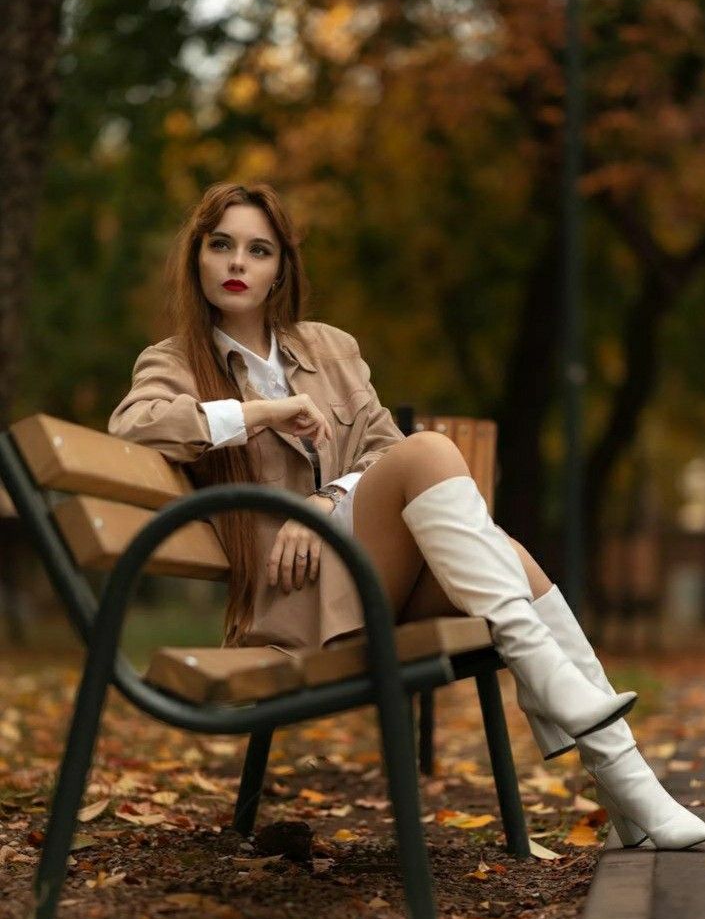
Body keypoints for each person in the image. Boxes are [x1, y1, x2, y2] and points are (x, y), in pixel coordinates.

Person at [109, 181, 705, 852]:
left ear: (281, 269)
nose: (237, 263)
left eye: (258, 249)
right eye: (221, 246)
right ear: (197, 259)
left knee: (506, 555)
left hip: (364, 580)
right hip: (286, 607)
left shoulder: (330, 350)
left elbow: (381, 448)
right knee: (433, 455)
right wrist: (262, 414)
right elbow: (137, 432)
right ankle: (593, 739)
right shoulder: (172, 363)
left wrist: (324, 504)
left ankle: (629, 787)